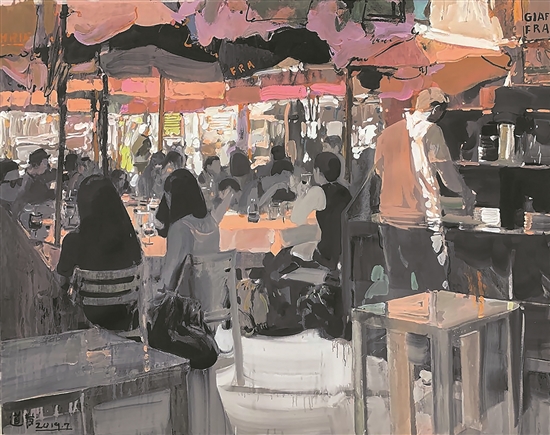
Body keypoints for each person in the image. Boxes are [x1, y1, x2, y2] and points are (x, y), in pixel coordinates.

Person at [373, 87, 476, 294]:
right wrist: (466, 192)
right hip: (422, 221)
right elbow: (448, 176)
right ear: (436, 109)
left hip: (390, 219)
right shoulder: (431, 131)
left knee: (398, 286)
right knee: (434, 286)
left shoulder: (387, 134)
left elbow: (379, 170)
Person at [56, 175, 142, 329]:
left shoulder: (73, 241)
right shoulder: (131, 239)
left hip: (87, 319)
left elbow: (61, 282)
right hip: (125, 317)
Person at [156, 169, 221, 293]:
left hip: (186, 299)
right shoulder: (212, 224)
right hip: (213, 296)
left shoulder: (180, 228)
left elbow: (168, 280)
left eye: (168, 195)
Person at [12, 148, 56, 216]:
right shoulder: (26, 182)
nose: (46, 166)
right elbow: (19, 204)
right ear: (36, 165)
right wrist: (36, 209)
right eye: (44, 163)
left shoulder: (39, 176)